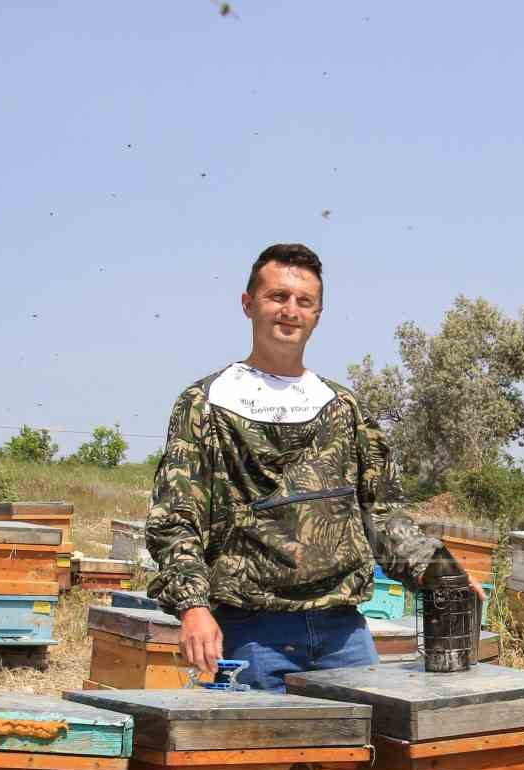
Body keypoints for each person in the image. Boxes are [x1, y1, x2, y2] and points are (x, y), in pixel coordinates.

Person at [145, 242, 472, 691]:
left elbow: (381, 514)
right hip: (252, 636)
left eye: (304, 301)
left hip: (345, 634)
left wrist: (439, 571)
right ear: (248, 304)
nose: (290, 311)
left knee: (369, 737)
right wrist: (193, 605)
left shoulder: (342, 406)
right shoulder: (205, 403)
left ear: (318, 314)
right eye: (277, 297)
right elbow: (175, 518)